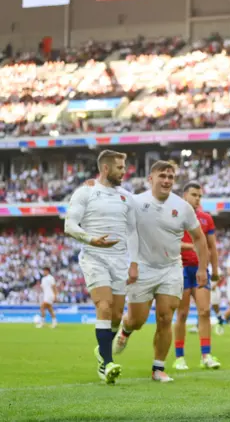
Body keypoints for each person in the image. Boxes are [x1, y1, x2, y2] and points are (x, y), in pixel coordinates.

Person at [113, 161, 210, 383]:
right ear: (150, 179)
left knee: (166, 318)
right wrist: (132, 263)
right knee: (137, 320)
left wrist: (203, 268)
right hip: (143, 269)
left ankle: (158, 368)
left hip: (171, 269)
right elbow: (127, 233)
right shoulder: (137, 203)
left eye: (170, 177)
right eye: (162, 176)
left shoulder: (183, 207)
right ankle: (126, 330)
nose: (166, 180)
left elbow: (199, 238)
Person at [65, 149, 137, 384]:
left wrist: (134, 262)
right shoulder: (86, 192)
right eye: (119, 168)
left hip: (119, 261)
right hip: (94, 257)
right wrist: (90, 239)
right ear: (105, 168)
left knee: (116, 316)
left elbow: (133, 232)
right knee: (104, 306)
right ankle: (106, 364)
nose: (123, 172)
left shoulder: (127, 197)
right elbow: (70, 225)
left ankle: (102, 349)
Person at [173, 182, 222, 371]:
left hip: (201, 269)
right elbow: (170, 244)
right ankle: (179, 357)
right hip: (181, 268)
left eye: (200, 196)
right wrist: (190, 247)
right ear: (185, 196)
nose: (197, 199)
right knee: (182, 314)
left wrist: (215, 269)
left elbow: (212, 247)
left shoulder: (206, 219)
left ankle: (206, 355)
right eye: (194, 195)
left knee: (204, 312)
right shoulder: (175, 216)